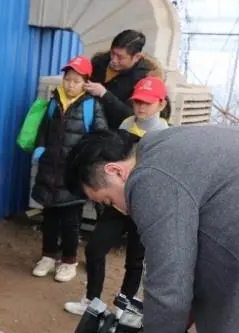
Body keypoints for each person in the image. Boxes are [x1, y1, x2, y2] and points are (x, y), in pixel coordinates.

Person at [64, 126, 239, 333]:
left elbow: (170, 282)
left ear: (116, 171)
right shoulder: (167, 146)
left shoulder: (150, 178)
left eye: (108, 201)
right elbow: (193, 263)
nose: (120, 210)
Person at [64, 76, 170, 315]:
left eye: (147, 103)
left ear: (161, 104)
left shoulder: (166, 135)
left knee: (135, 258)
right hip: (118, 201)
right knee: (94, 249)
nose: (141, 107)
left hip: (145, 206)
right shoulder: (125, 125)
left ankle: (126, 304)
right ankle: (92, 300)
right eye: (137, 102)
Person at [30, 55, 108, 282]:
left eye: (76, 80)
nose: (70, 84)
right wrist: (41, 148)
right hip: (50, 171)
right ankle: (47, 256)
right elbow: (43, 129)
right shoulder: (54, 101)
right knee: (50, 218)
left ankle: (68, 261)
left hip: (73, 175)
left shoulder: (92, 106)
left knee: (71, 222)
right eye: (67, 79)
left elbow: (100, 137)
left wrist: (87, 162)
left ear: (85, 82)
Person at [86, 29, 162, 129]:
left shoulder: (145, 78)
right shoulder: (99, 61)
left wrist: (104, 94)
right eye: (112, 53)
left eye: (120, 57)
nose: (113, 60)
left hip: (117, 131)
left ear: (136, 57)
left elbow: (132, 115)